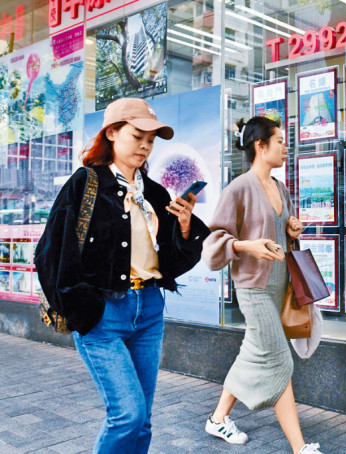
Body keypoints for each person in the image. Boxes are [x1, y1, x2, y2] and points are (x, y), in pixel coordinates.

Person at [34, 97, 210, 454]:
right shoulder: (85, 184)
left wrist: (185, 226)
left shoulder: (155, 193)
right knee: (127, 415)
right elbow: (50, 253)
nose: (145, 146)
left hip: (149, 310)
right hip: (103, 314)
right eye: (137, 136)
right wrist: (82, 308)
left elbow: (171, 264)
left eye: (151, 140)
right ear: (112, 133)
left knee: (142, 419)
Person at [202, 116, 323, 454]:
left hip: (280, 287)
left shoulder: (280, 187)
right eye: (280, 141)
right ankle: (300, 447)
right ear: (260, 145)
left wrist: (291, 231)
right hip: (253, 289)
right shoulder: (239, 188)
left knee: (253, 353)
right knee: (279, 360)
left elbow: (280, 235)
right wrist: (245, 246)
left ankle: (217, 419)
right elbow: (213, 243)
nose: (286, 147)